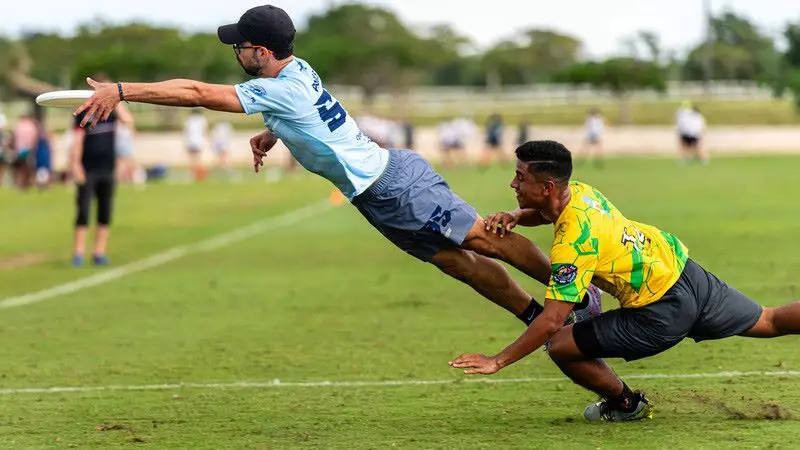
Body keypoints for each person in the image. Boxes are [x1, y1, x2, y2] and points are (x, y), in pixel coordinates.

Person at [73, 5, 601, 329]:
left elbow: (194, 93)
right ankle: (539, 318)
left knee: (481, 239)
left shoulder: (277, 86)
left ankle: (577, 292)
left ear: (259, 52)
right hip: (376, 196)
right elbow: (309, 118)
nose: (235, 51)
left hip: (393, 182)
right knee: (457, 263)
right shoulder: (296, 70)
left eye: (239, 45)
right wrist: (272, 131)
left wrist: (123, 91)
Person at [448, 140, 800, 422]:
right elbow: (546, 212)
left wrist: (499, 360)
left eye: (520, 177)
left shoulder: (573, 243)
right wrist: (514, 215)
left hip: (659, 313)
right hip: (681, 270)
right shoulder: (581, 192)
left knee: (560, 345)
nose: (513, 183)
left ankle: (628, 405)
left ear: (547, 185)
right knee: (769, 320)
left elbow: (552, 319)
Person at [71, 84, 135, 267]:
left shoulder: (112, 113)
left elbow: (128, 122)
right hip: (87, 169)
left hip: (107, 170)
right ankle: (79, 253)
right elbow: (77, 141)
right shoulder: (83, 113)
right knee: (83, 211)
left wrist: (118, 98)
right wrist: (75, 165)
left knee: (104, 212)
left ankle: (99, 252)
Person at [184, 109, 208, 181]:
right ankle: (199, 175)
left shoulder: (189, 120)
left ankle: (194, 175)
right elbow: (205, 131)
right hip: (199, 142)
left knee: (192, 160)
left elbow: (186, 131)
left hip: (191, 141)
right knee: (198, 159)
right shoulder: (202, 119)